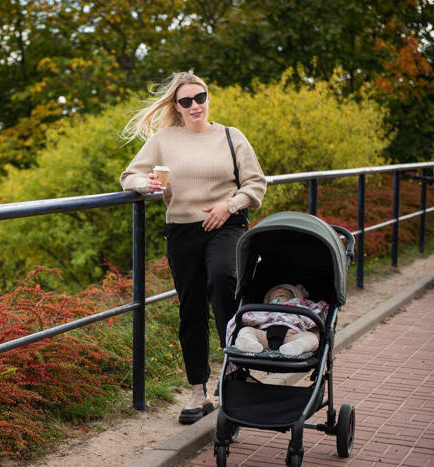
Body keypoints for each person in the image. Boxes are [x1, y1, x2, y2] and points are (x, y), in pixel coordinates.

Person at [119, 72, 267, 425]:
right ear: (177, 106)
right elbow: (128, 177)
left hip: (226, 225)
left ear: (208, 97)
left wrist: (229, 205)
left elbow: (256, 184)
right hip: (182, 232)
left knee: (222, 279)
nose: (195, 106)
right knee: (191, 309)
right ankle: (198, 391)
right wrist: (145, 183)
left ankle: (234, 368)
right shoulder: (163, 140)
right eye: (186, 101)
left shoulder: (231, 136)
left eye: (200, 97)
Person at [226, 284, 329, 356]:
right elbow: (249, 318)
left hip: (292, 335)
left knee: (312, 338)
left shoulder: (302, 307)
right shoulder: (263, 309)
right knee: (246, 330)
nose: (277, 295)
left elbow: (316, 316)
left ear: (296, 297)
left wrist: (313, 309)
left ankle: (297, 346)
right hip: (264, 335)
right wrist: (250, 317)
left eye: (283, 294)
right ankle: (249, 343)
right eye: (273, 296)